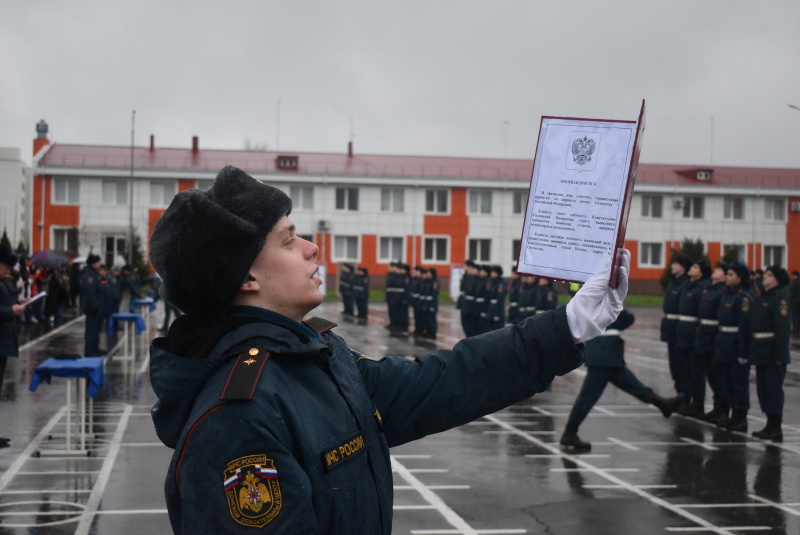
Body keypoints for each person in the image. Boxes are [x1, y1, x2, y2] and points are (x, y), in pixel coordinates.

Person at [148, 165, 630, 534]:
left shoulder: (315, 357)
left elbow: (441, 382)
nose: (313, 248)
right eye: (289, 241)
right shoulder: (238, 420)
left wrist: (570, 325)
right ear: (247, 277)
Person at [560, 309, 681, 451]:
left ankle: (662, 404)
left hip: (608, 355)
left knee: (633, 385)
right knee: (587, 397)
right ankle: (570, 432)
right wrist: (619, 307)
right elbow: (626, 320)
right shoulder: (602, 305)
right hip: (603, 355)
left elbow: (627, 321)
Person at [749, 266, 792, 442]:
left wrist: (779, 356)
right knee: (763, 390)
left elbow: (782, 331)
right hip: (761, 351)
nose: (765, 277)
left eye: (769, 275)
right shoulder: (764, 298)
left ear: (777, 280)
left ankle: (775, 427)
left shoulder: (780, 300)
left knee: (773, 390)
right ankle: (769, 424)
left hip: (773, 353)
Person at [714, 262, 753, 432]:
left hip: (736, 346)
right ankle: (728, 415)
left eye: (730, 274)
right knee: (726, 383)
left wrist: (743, 352)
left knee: (739, 384)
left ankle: (740, 418)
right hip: (724, 343)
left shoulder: (743, 297)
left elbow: (745, 327)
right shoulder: (727, 294)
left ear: (739, 278)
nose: (726, 277)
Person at [675, 260, 711, 417]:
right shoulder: (687, 285)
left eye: (695, 267)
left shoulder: (702, 288)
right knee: (684, 370)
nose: (691, 268)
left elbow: (701, 312)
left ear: (702, 272)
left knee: (696, 371)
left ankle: (698, 404)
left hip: (693, 332)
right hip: (683, 331)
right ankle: (686, 399)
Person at [695, 262, 728, 423]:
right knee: (711, 375)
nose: (715, 271)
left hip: (714, 335)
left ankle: (722, 409)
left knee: (719, 375)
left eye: (720, 270)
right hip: (704, 335)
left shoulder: (722, 291)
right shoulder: (709, 289)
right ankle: (716, 407)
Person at [0, 244, 25, 448]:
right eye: (5, 266)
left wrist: (19, 303)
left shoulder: (2, 281)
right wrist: (10, 311)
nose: (8, 270)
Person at [661, 254, 692, 400]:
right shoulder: (673, 282)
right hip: (670, 326)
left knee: (682, 363)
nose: (672, 266)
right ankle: (679, 391)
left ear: (683, 267)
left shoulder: (685, 283)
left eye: (675, 263)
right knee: (674, 363)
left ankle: (685, 394)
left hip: (679, 327)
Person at [80, 254, 105, 356]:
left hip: (96, 307)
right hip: (92, 308)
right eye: (98, 262)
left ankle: (95, 348)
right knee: (91, 330)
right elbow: (90, 293)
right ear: (93, 263)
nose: (99, 264)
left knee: (96, 330)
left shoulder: (94, 274)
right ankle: (90, 351)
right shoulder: (89, 275)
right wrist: (95, 306)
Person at [789, 270, 800, 335]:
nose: (792, 276)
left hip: (796, 302)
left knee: (796, 317)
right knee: (793, 316)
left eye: (793, 275)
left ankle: (797, 329)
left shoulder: (798, 283)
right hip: (792, 302)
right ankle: (795, 329)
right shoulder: (792, 283)